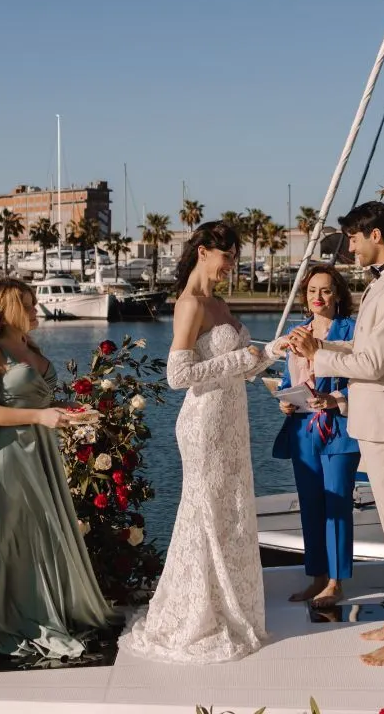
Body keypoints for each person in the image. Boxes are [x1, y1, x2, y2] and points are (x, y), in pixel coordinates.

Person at [118, 221, 275, 663]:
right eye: (228, 257)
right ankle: (196, 612)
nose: (231, 266)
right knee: (204, 509)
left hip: (233, 420)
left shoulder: (220, 304)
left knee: (232, 508)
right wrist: (236, 359)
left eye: (235, 258)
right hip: (204, 424)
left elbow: (245, 367)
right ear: (204, 251)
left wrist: (273, 351)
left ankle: (230, 605)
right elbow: (177, 376)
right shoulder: (189, 305)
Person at [286, 200, 384, 667]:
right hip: (375, 419)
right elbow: (364, 348)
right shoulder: (383, 286)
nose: (348, 245)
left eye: (353, 237)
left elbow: (371, 363)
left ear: (375, 235)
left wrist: (319, 355)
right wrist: (321, 345)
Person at [0, 278, 115, 661]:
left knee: (44, 533)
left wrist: (68, 413)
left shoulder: (28, 345)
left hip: (41, 451)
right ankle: (14, 614)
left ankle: (48, 605)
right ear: (8, 308)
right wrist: (41, 415)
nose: (36, 307)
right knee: (14, 538)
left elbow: (42, 400)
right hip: (10, 457)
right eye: (28, 303)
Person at [271, 264, 360, 608]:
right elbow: (287, 381)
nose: (317, 297)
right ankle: (317, 578)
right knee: (310, 506)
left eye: (325, 290)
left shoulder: (353, 331)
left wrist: (335, 401)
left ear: (338, 293)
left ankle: (337, 583)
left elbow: (366, 380)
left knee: (338, 504)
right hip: (303, 430)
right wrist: (285, 402)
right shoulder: (296, 333)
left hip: (340, 429)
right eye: (311, 291)